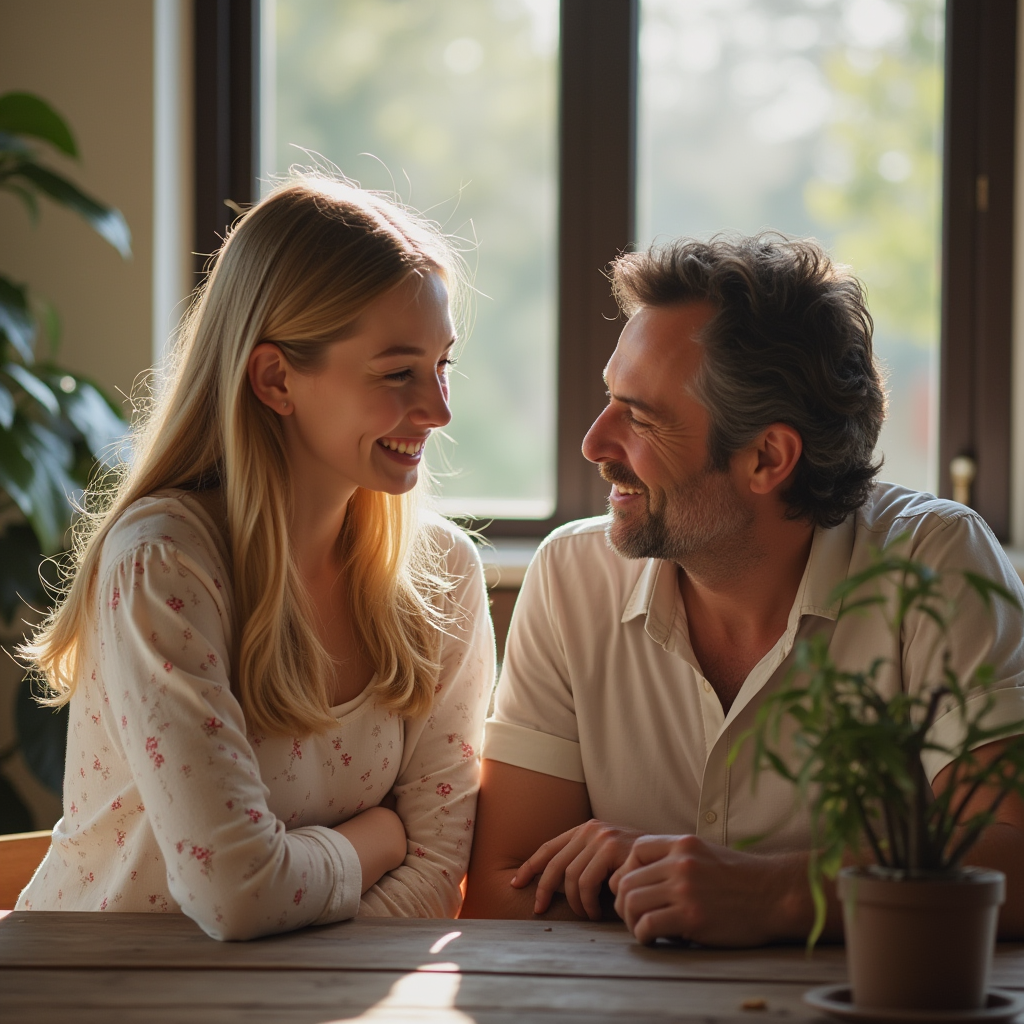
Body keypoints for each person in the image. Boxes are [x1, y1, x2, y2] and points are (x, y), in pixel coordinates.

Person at [461, 234, 1024, 944]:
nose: (594, 444)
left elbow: (1011, 857)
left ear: (767, 457)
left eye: (640, 417)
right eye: (611, 400)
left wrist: (774, 895)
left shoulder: (936, 564)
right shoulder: (573, 576)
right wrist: (657, 886)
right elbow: (499, 893)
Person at [16, 175, 494, 940]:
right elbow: (239, 892)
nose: (438, 409)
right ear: (276, 379)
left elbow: (437, 875)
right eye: (399, 372)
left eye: (444, 365)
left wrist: (301, 944)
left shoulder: (442, 575)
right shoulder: (163, 564)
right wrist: (378, 836)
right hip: (97, 996)